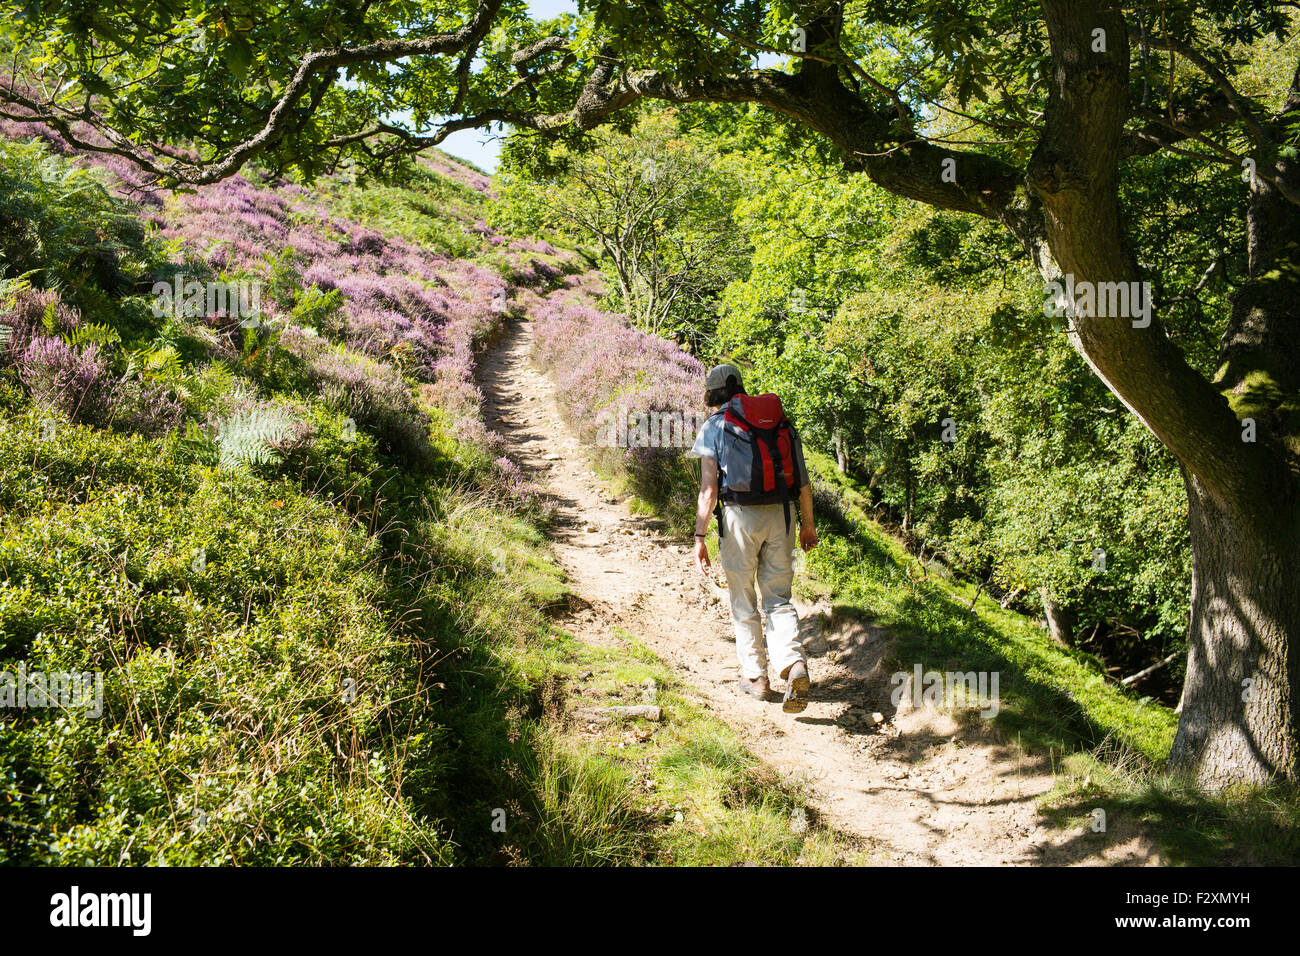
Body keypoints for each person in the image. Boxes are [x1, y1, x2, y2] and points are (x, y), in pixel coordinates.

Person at [690, 363, 818, 712]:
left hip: (738, 519)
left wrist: (700, 536)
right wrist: (808, 525)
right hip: (781, 515)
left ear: (713, 393)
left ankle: (756, 678)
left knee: (743, 599)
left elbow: (708, 489)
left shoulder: (714, 426)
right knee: (778, 597)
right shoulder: (780, 423)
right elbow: (803, 483)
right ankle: (794, 664)